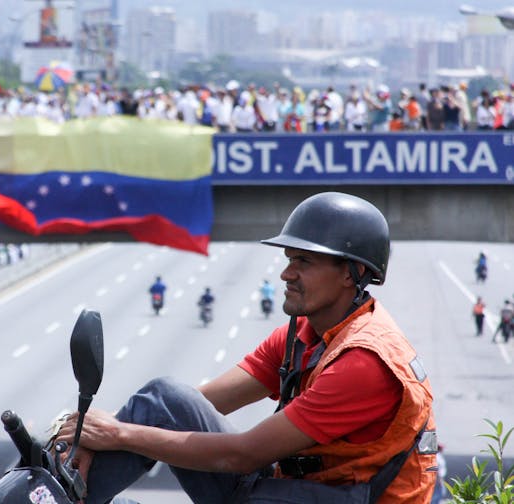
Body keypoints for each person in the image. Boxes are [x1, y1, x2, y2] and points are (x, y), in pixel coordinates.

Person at [57, 192, 437, 503]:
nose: (287, 273)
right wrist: (91, 439)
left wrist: (118, 435)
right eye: (289, 260)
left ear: (350, 273)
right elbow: (189, 405)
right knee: (163, 396)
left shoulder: (363, 362)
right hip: (298, 492)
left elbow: (242, 454)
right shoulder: (303, 335)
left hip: (329, 497)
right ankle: (64, 493)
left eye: (303, 261)